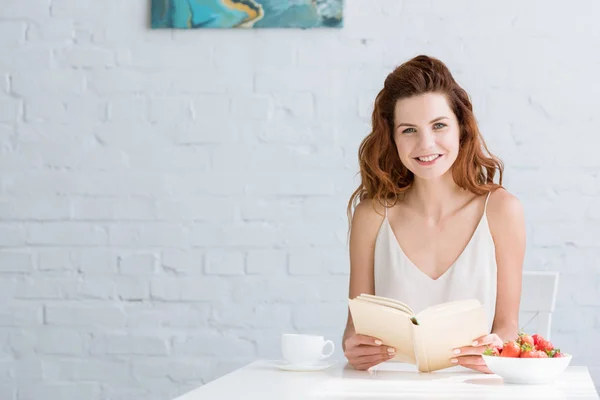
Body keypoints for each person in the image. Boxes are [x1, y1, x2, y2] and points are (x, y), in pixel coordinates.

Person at [342, 55, 526, 374]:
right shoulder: (371, 215)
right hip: (389, 391)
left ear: (461, 129)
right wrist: (355, 349)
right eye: (409, 130)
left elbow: (508, 326)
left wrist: (496, 350)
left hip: (474, 389)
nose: (426, 144)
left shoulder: (501, 210)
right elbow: (353, 330)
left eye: (438, 125)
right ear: (393, 138)